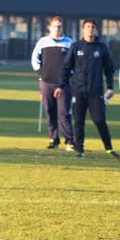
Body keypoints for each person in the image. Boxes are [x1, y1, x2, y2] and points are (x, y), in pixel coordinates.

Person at [54, 19, 119, 159]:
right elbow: (66, 68)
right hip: (78, 91)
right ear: (83, 30)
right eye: (88, 27)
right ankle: (79, 150)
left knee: (99, 120)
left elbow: (109, 69)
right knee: (78, 121)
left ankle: (109, 148)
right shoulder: (76, 47)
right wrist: (60, 85)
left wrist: (110, 87)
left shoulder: (101, 48)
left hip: (95, 92)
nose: (90, 29)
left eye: (93, 27)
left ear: (96, 30)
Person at [31, 17, 74, 151]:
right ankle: (53, 139)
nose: (57, 29)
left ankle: (69, 141)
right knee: (50, 111)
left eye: (59, 26)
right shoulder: (43, 42)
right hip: (46, 82)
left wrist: (69, 75)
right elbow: (35, 59)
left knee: (64, 112)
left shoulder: (69, 43)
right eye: (55, 26)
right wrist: (40, 72)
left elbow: (74, 62)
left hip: (63, 84)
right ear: (50, 28)